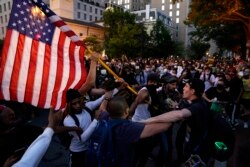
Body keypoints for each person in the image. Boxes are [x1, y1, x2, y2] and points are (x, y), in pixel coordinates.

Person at [142, 78, 211, 165]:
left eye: (186, 86)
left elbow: (180, 114)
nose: (183, 88)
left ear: (193, 91)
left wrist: (148, 121)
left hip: (197, 148)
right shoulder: (189, 102)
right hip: (188, 143)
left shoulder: (198, 106)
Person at [90, 96, 171, 167]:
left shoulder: (104, 116)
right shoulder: (127, 128)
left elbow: (102, 108)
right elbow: (165, 126)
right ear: (126, 111)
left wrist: (107, 98)